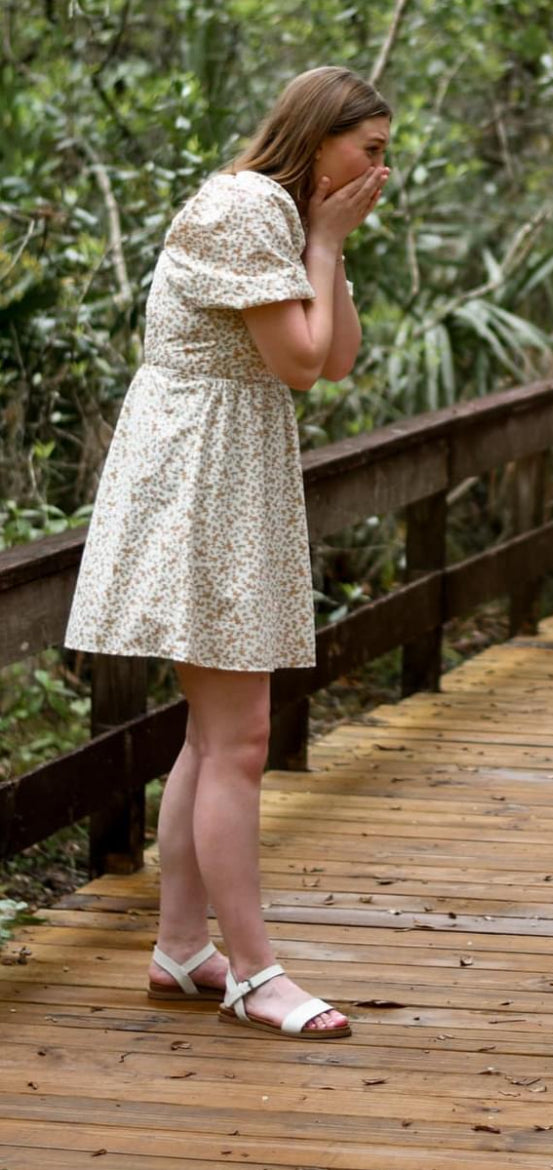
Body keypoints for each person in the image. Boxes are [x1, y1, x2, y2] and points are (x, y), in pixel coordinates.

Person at [65, 66, 391, 1040]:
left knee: (212, 739)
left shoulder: (281, 218)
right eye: (368, 149)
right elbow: (299, 363)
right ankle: (254, 971)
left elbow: (336, 358)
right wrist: (324, 241)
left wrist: (330, 248)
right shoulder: (248, 205)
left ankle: (180, 949)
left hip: (227, 463)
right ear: (319, 136)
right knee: (240, 740)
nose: (382, 168)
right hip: (200, 470)